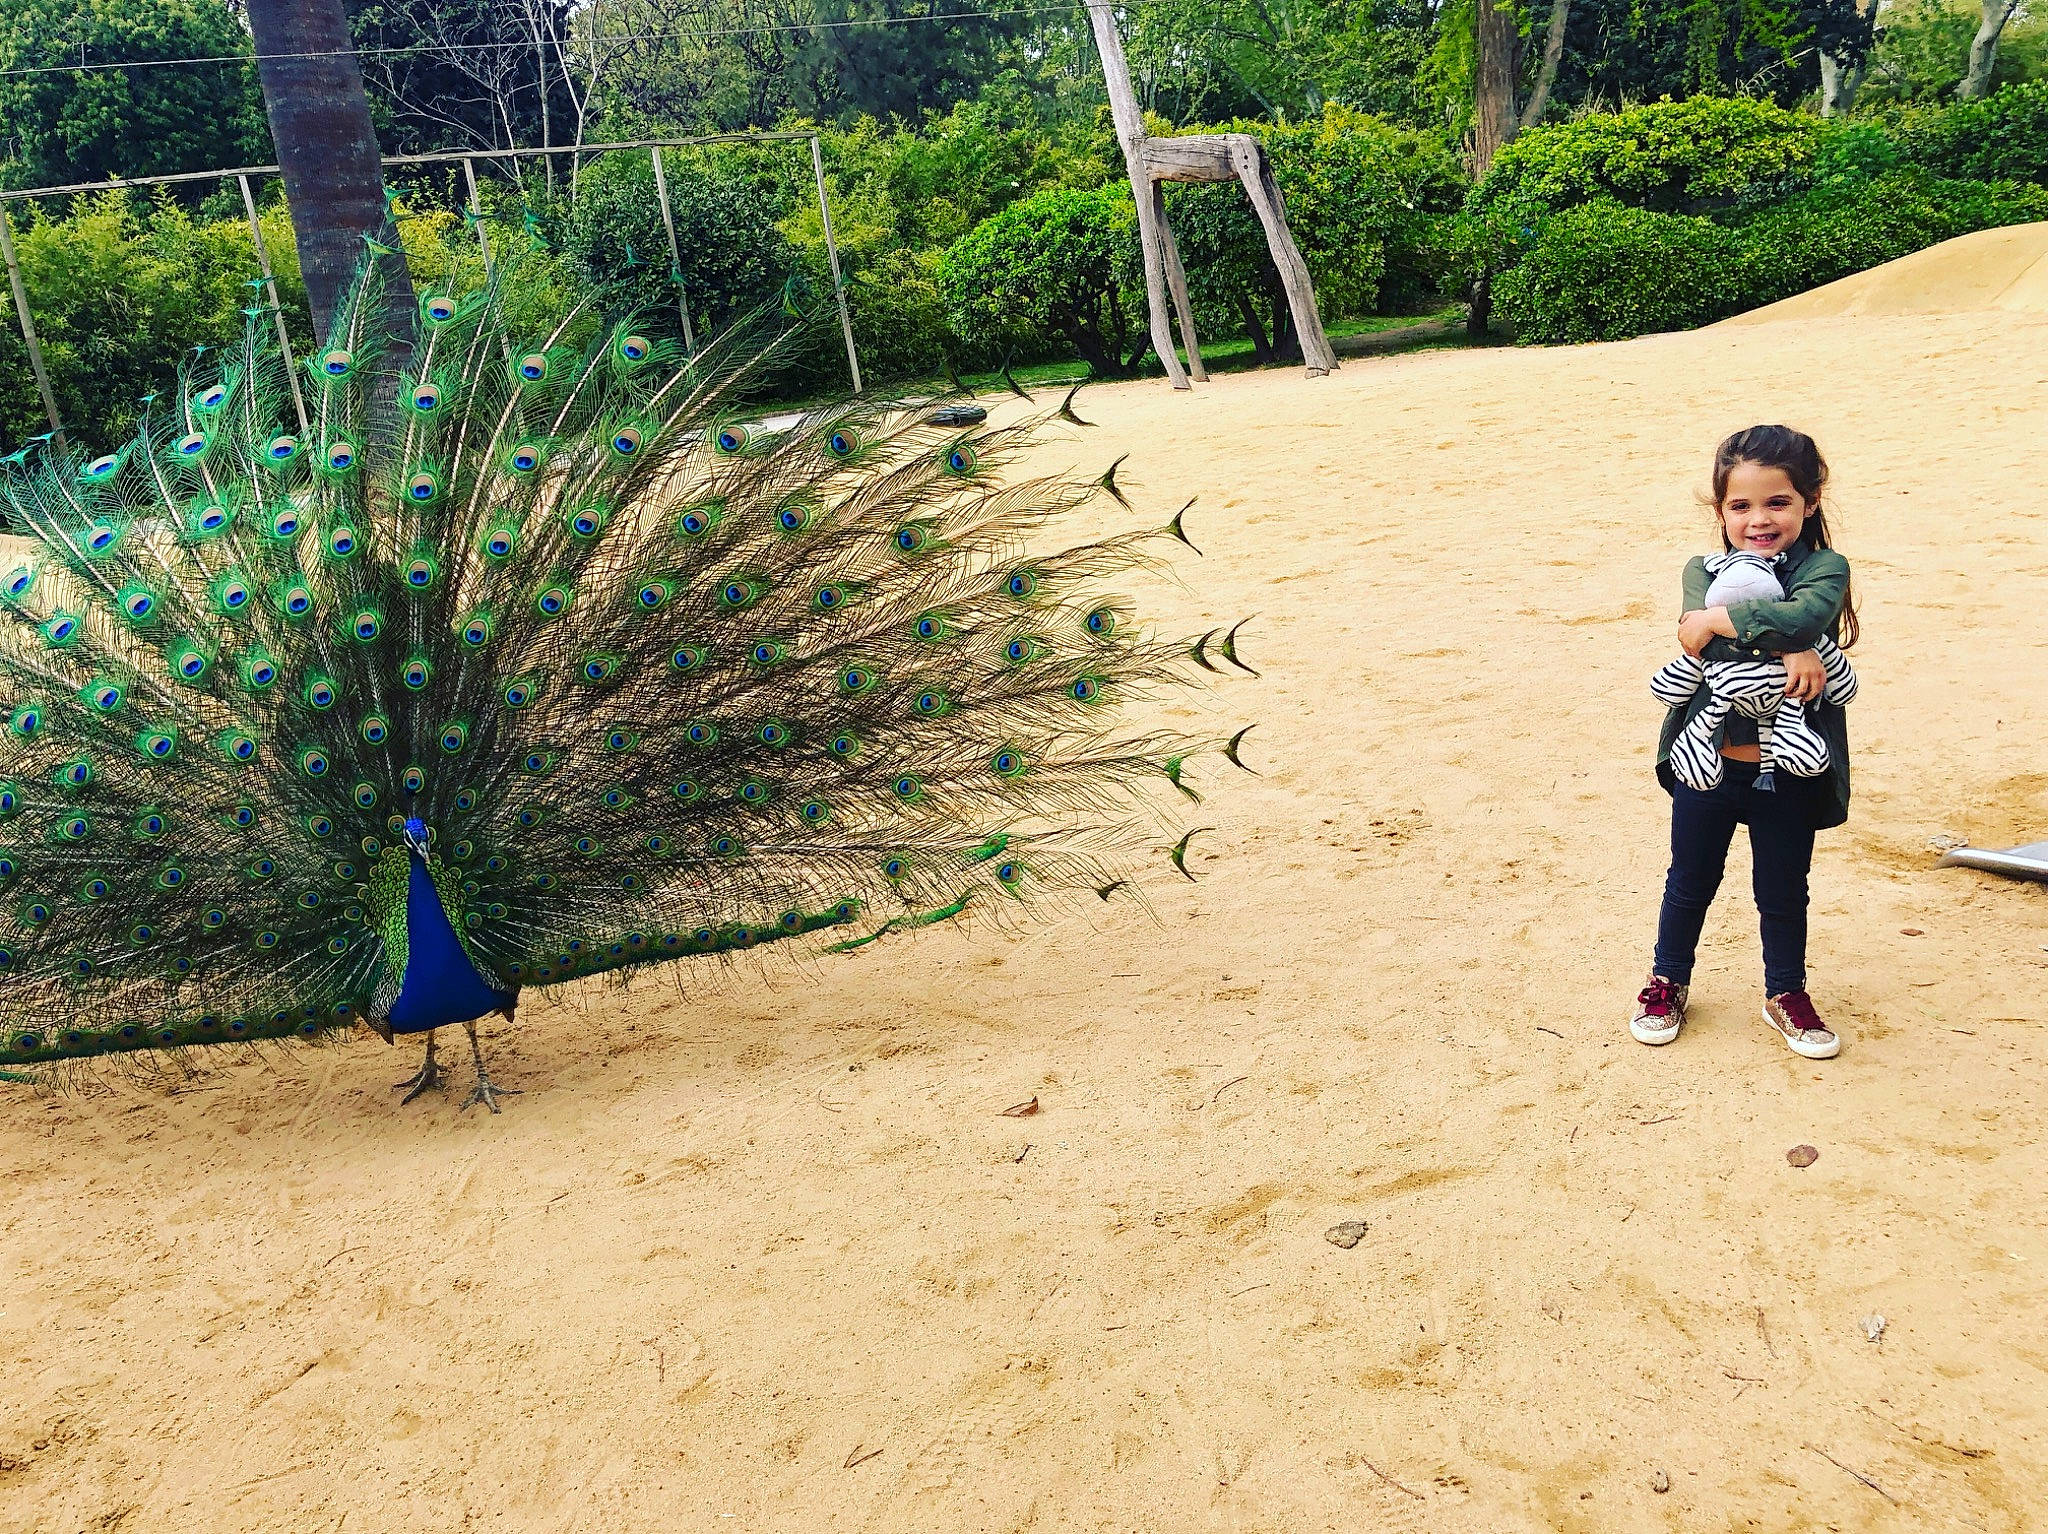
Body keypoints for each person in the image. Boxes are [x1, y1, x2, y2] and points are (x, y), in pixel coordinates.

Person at [1630, 425, 1861, 1059]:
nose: (1759, 519)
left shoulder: (1824, 567)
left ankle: (1785, 991)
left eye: (1778, 502)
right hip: (1705, 767)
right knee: (1689, 880)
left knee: (1784, 888)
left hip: (1790, 771)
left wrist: (1795, 634)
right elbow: (1697, 639)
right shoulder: (1699, 569)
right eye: (1741, 505)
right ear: (1720, 510)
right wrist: (1786, 640)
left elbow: (1806, 614)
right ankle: (1667, 979)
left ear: (1809, 502)